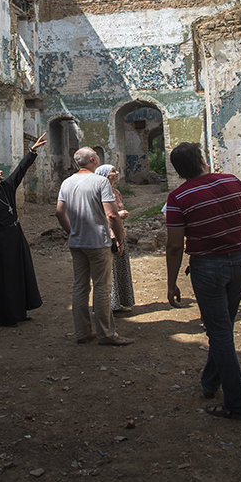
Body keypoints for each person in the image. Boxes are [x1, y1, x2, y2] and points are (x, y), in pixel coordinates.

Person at [165, 142, 241, 421]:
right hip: (239, 264)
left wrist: (171, 283)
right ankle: (210, 382)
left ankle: (236, 404)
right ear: (201, 160)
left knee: (219, 332)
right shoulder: (232, 181)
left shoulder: (178, 197)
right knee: (223, 327)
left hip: (207, 267)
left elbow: (174, 246)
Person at [56, 147, 133, 346]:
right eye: (96, 156)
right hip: (98, 241)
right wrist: (120, 238)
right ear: (92, 159)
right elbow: (112, 214)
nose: (98, 158)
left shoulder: (67, 182)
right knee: (102, 287)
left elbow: (59, 212)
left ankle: (82, 332)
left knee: (80, 286)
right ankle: (106, 334)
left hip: (77, 242)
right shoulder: (100, 182)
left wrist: (71, 232)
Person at [0, 133, 47, 326]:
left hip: (17, 234)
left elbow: (20, 170)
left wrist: (32, 151)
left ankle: (21, 310)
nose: (1, 172)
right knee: (6, 276)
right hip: (2, 238)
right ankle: (5, 316)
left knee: (21, 271)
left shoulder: (7, 186)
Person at [95, 164, 135, 312]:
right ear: (105, 175)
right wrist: (119, 215)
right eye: (113, 171)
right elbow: (101, 215)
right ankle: (109, 305)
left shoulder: (116, 192)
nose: (117, 173)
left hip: (119, 232)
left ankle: (120, 302)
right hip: (108, 234)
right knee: (110, 270)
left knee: (120, 269)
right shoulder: (99, 192)